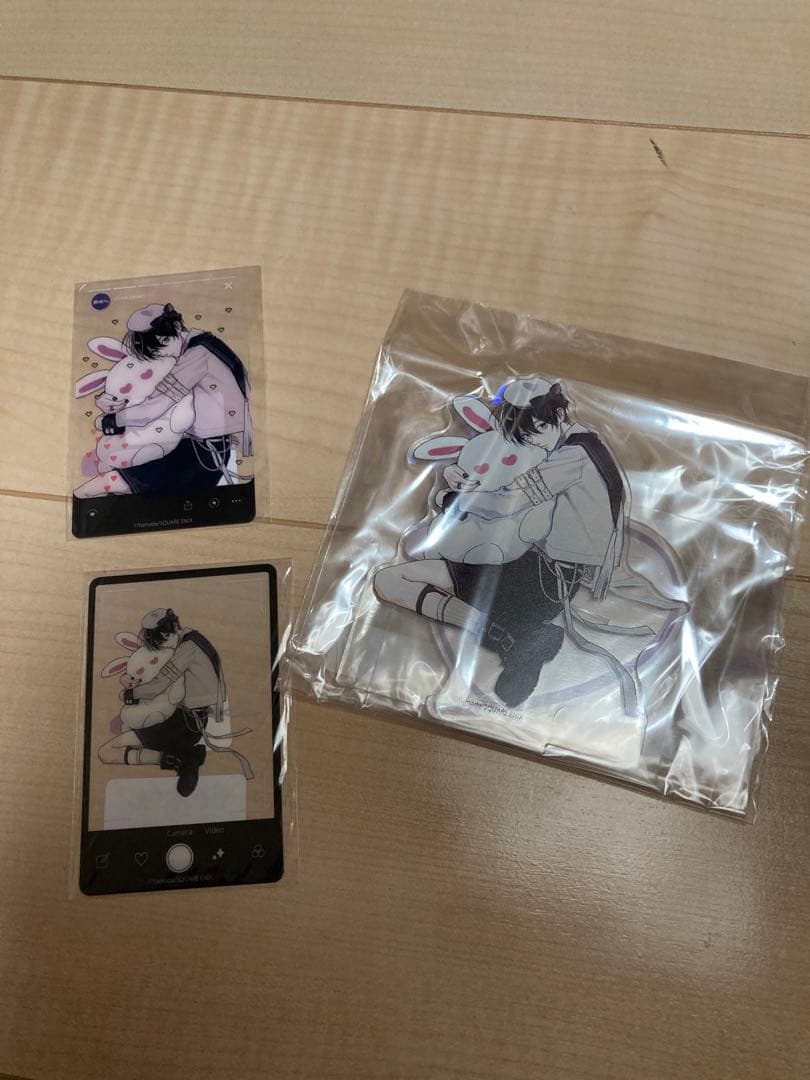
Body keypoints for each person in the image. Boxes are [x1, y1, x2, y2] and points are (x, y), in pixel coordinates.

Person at [374, 377, 626, 708]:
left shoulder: (573, 456)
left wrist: (457, 498)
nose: (533, 445)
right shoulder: (587, 446)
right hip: (542, 571)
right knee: (391, 579)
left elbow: (510, 500)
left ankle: (512, 639)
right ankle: (516, 636)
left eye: (531, 435)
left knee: (393, 580)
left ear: (548, 419)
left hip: (542, 581)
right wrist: (464, 482)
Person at [94, 303, 252, 495]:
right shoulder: (207, 345)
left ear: (177, 327)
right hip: (210, 444)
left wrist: (111, 421)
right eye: (155, 352)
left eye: (163, 343)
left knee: (139, 486)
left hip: (207, 450)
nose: (163, 354)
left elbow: (154, 407)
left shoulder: (196, 355)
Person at [97, 609, 236, 797]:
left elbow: (160, 683)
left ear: (167, 633)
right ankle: (185, 757)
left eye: (161, 643)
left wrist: (129, 694)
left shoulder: (187, 648)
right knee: (110, 749)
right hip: (192, 720)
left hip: (183, 724)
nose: (163, 649)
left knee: (107, 751)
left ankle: (184, 759)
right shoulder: (195, 639)